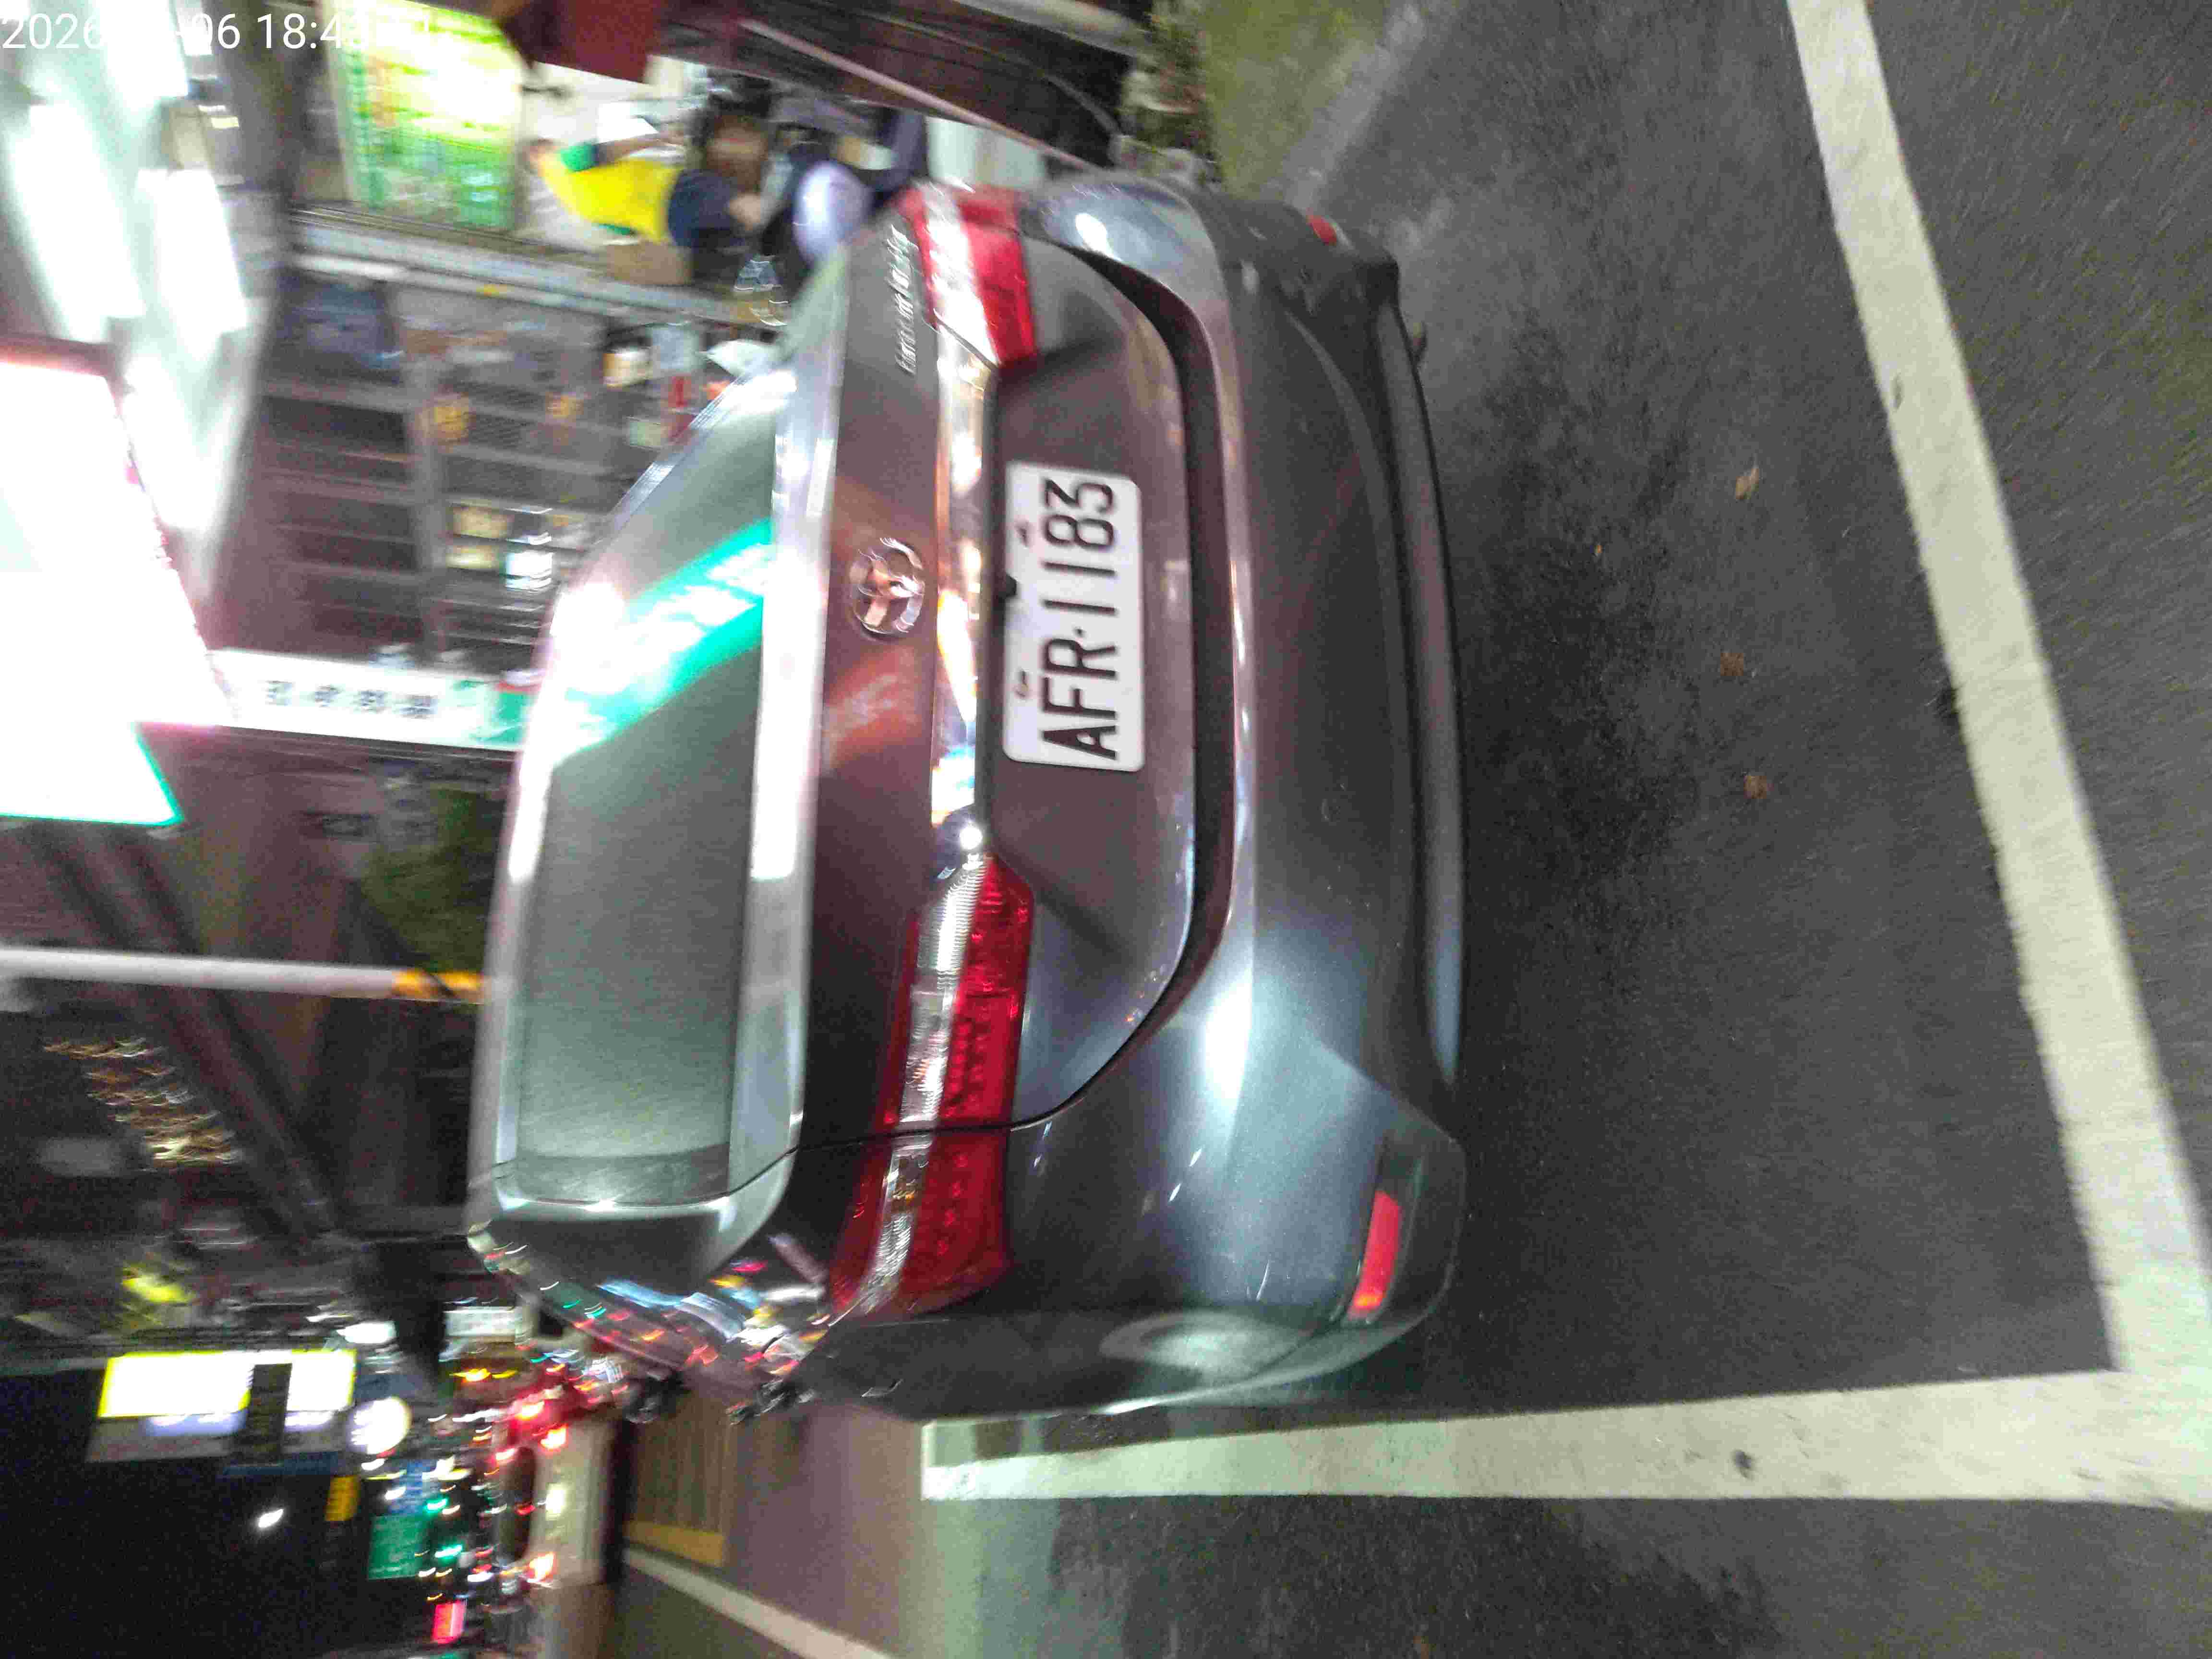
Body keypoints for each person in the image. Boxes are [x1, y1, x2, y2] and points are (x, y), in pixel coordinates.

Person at [525, 124, 771, 249]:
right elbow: (611, 150)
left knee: (739, 229)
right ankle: (781, 217)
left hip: (670, 229)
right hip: (669, 190)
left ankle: (778, 230)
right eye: (549, 145)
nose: (556, 146)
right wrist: (661, 138)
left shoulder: (572, 206)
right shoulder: (564, 161)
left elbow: (625, 232)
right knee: (735, 202)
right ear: (537, 153)